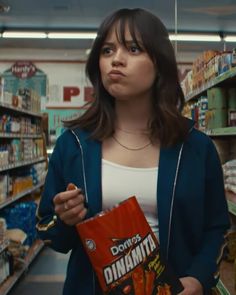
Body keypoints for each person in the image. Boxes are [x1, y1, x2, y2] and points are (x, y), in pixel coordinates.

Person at [36, 8, 230, 295]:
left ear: (160, 62)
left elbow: (217, 228)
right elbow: (50, 234)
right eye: (107, 50)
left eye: (134, 48)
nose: (116, 59)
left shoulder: (195, 148)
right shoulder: (73, 145)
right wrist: (66, 220)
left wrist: (199, 278)